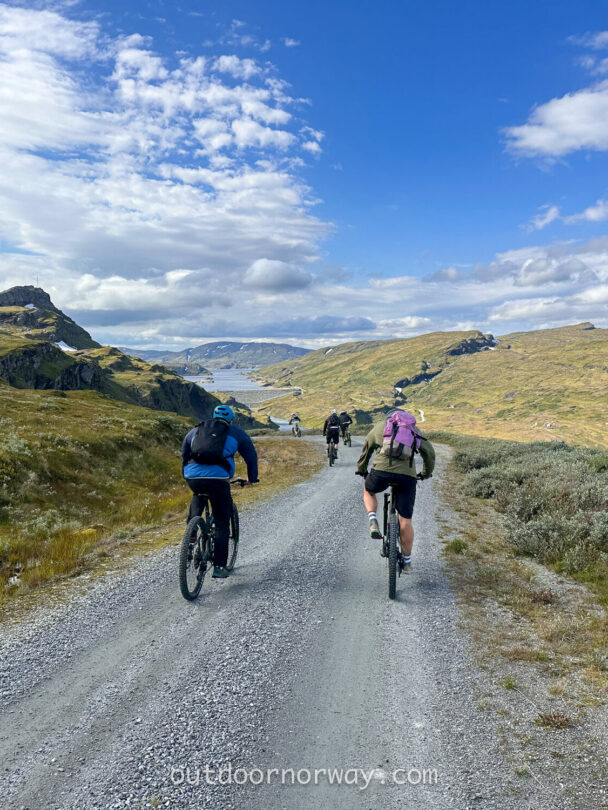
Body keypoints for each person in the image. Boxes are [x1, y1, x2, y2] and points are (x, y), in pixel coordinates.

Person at [182, 404, 258, 579]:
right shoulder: (236, 432)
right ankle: (219, 567)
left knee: (198, 498)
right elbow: (251, 456)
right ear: (230, 420)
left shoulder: (195, 431)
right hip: (218, 480)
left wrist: (187, 476)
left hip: (193, 477)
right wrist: (252, 478)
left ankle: (190, 539)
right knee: (222, 522)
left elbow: (185, 454)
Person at [356, 410, 435, 572]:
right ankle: (407, 562)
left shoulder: (381, 427)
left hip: (381, 472)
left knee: (368, 490)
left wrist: (362, 469)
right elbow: (430, 454)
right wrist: (425, 474)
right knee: (405, 519)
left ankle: (373, 522)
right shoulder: (414, 430)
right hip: (407, 477)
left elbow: (367, 446)